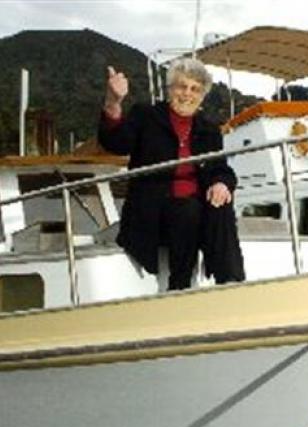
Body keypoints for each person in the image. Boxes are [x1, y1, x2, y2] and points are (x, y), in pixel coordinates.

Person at [98, 58, 245, 290]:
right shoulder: (145, 116)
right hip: (153, 213)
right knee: (188, 208)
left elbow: (220, 168)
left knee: (221, 205)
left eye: (195, 89)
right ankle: (179, 287)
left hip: (194, 213)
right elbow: (115, 143)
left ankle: (231, 282)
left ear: (202, 96)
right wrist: (113, 102)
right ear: (170, 89)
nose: (187, 94)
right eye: (181, 86)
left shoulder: (209, 130)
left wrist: (221, 184)